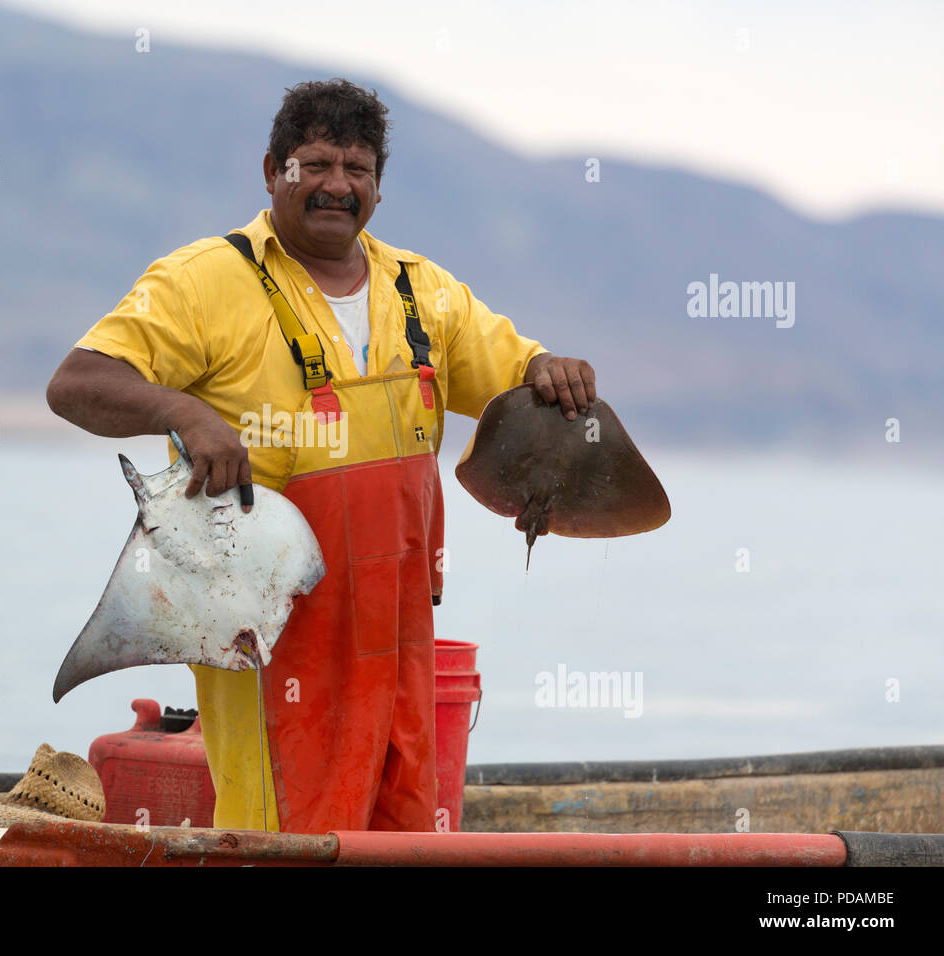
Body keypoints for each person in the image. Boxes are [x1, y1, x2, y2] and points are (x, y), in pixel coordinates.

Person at [46, 78, 595, 835]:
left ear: (378, 186)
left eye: (359, 168)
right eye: (316, 164)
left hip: (400, 638)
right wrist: (184, 410)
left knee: (400, 833)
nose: (337, 184)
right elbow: (77, 384)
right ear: (272, 171)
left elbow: (519, 374)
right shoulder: (204, 281)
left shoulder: (423, 292)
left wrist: (551, 369)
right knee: (287, 837)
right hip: (268, 636)